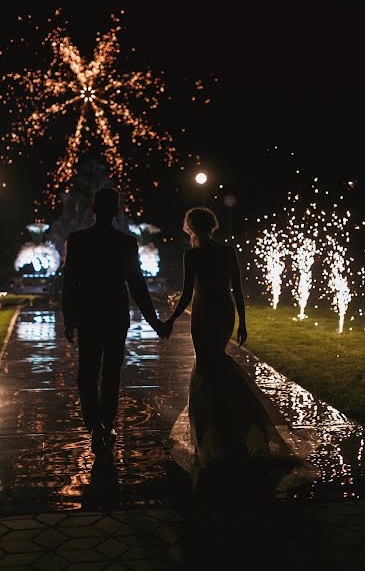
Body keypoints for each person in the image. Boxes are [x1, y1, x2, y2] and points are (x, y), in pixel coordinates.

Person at [165, 207, 299, 478]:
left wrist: (170, 320)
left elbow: (187, 294)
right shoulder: (226, 253)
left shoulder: (191, 255)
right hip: (223, 313)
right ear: (211, 226)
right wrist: (242, 322)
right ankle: (233, 425)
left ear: (190, 227)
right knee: (215, 364)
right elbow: (237, 290)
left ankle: (213, 432)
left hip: (204, 314)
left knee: (206, 366)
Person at [62, 187, 166, 453]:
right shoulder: (126, 243)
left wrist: (68, 318)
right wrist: (154, 322)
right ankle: (105, 425)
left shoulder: (78, 240)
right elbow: (137, 286)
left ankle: (94, 425)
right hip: (115, 316)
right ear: (116, 211)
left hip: (88, 316)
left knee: (86, 374)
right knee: (110, 374)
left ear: (93, 210)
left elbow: (69, 283)